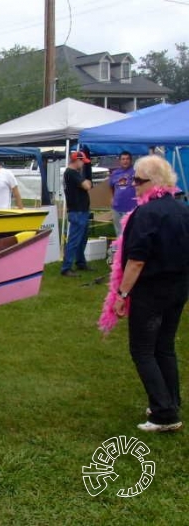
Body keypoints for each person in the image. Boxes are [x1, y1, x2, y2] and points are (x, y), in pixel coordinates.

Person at [100, 155, 189, 432]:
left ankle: (164, 413)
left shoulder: (146, 214)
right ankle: (170, 401)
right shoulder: (183, 208)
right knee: (164, 346)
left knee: (143, 349)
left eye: (139, 180)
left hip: (151, 291)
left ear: (155, 182)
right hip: (178, 288)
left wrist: (122, 294)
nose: (134, 185)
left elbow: (136, 261)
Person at [61, 151, 93, 277]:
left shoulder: (71, 173)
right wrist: (88, 180)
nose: (83, 165)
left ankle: (80, 262)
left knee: (81, 239)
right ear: (77, 160)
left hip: (80, 210)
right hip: (77, 211)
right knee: (74, 240)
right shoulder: (72, 173)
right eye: (82, 162)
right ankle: (66, 267)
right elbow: (87, 186)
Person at [108, 151, 136, 237]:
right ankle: (120, 250)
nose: (125, 161)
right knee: (119, 232)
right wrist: (112, 198)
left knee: (130, 232)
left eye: (127, 159)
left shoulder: (135, 172)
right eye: (123, 159)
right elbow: (111, 187)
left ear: (131, 160)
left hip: (131, 208)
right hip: (117, 207)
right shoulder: (115, 173)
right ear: (119, 161)